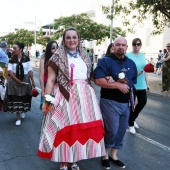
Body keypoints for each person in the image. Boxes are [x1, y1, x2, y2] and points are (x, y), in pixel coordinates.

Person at [38, 27, 105, 170]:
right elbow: (50, 80)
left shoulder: (85, 56)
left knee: (78, 130)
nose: (71, 40)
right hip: (64, 95)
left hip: (85, 97)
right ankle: (63, 161)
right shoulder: (57, 57)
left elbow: (89, 77)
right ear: (64, 40)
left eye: (74, 37)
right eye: (68, 37)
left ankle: (74, 159)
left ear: (78, 39)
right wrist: (47, 102)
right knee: (64, 129)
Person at [93, 36, 137, 169]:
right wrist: (117, 85)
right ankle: (104, 155)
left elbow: (133, 81)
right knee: (111, 129)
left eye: (123, 45)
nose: (121, 47)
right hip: (109, 102)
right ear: (113, 47)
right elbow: (98, 80)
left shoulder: (131, 63)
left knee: (121, 130)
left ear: (126, 47)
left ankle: (114, 155)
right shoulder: (105, 61)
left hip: (126, 103)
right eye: (118, 45)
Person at [6, 42, 36, 126]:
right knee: (16, 98)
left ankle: (23, 110)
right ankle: (18, 117)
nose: (13, 50)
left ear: (20, 49)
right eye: (13, 48)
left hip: (25, 79)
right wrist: (17, 80)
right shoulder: (11, 59)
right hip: (14, 80)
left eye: (15, 48)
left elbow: (30, 70)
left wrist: (33, 81)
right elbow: (10, 71)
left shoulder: (26, 58)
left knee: (25, 97)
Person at [126, 38, 149, 134]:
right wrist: (134, 74)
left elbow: (145, 70)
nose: (136, 46)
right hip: (132, 83)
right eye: (134, 44)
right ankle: (131, 125)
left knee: (143, 102)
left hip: (142, 83)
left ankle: (132, 119)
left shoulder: (143, 55)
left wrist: (147, 83)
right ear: (132, 45)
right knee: (132, 105)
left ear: (141, 45)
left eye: (138, 44)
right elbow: (125, 69)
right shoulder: (128, 56)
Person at [39, 40, 58, 109]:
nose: (55, 49)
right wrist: (43, 90)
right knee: (47, 108)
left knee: (56, 108)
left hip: (57, 85)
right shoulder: (44, 57)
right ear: (49, 48)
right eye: (53, 47)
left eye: (56, 47)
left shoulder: (58, 57)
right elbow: (41, 75)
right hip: (47, 85)